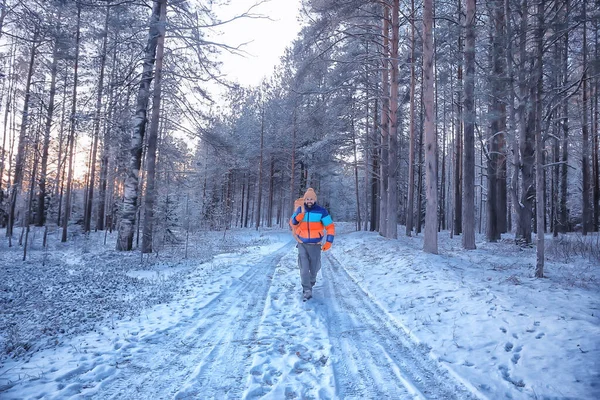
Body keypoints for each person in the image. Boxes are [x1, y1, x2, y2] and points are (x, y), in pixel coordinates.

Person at [290, 188, 335, 300]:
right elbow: (292, 223)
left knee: (314, 268)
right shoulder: (300, 209)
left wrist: (329, 241)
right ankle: (307, 289)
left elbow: (330, 226)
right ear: (304, 200)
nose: (309, 201)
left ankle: (311, 282)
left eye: (311, 199)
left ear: (315, 199)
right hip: (302, 243)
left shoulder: (321, 211)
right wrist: (298, 216)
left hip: (315, 244)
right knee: (304, 268)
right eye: (307, 199)